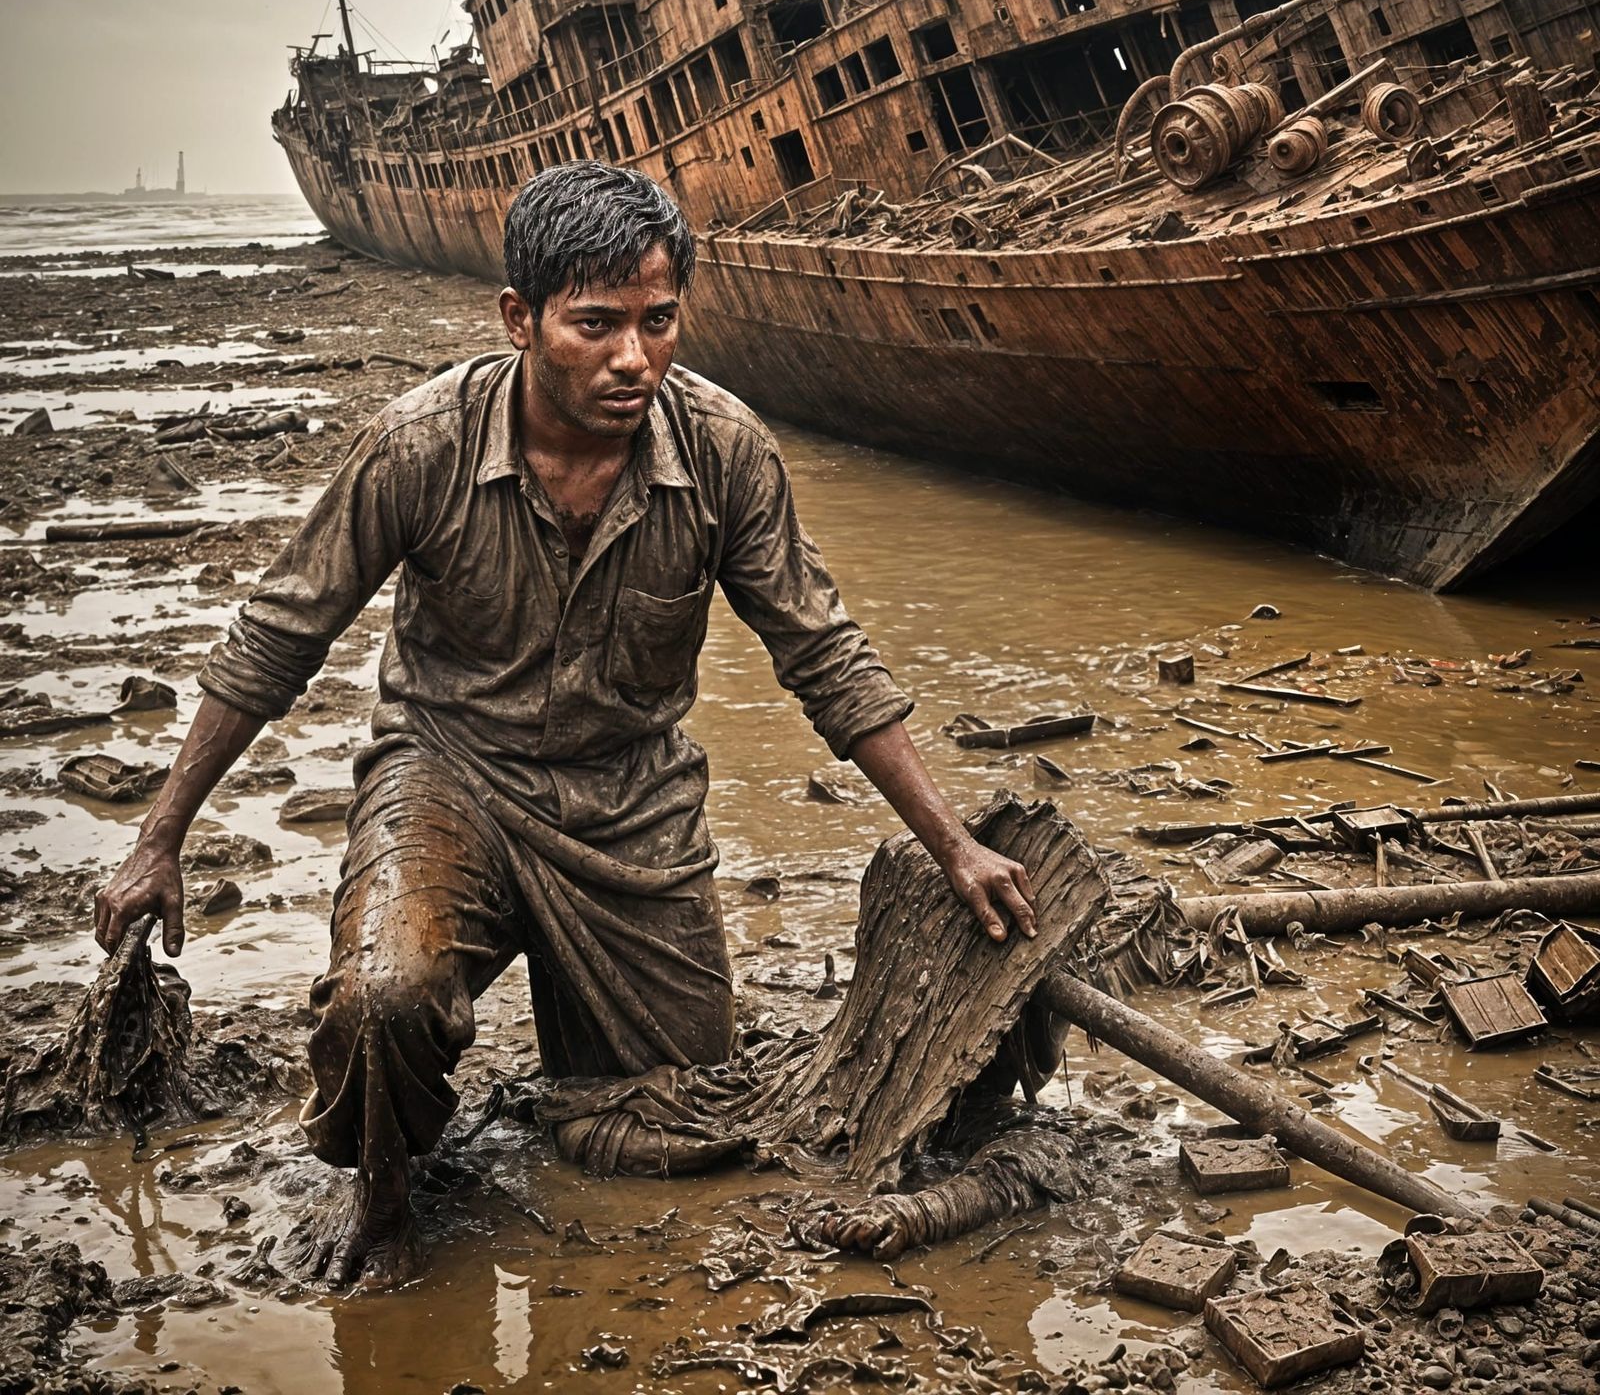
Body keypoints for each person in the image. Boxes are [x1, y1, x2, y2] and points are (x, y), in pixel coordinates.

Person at [93, 162, 1040, 1289]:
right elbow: (276, 639)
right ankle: (385, 1201)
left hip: (630, 809)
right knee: (381, 1000)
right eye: (595, 325)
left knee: (678, 1123)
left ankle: (560, 1074)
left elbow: (821, 653)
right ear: (520, 320)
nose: (632, 358)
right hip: (449, 777)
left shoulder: (726, 452)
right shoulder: (418, 445)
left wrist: (953, 844)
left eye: (657, 321)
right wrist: (159, 838)